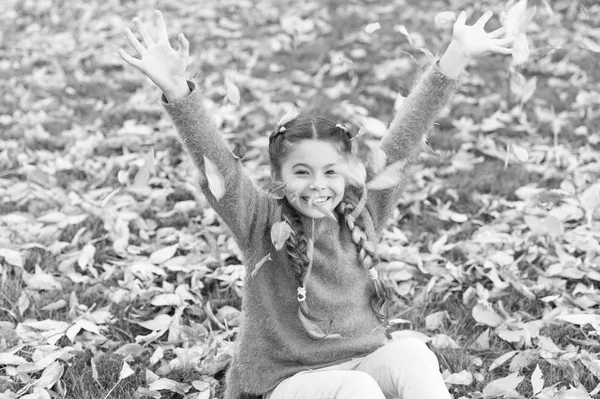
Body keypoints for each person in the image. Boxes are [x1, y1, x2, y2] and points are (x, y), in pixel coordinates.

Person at [119, 9, 513, 399]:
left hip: (360, 362)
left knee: (412, 353)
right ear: (279, 177)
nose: (318, 186)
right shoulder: (258, 219)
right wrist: (178, 92)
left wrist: (455, 56)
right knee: (357, 389)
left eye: (330, 172)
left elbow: (406, 135)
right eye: (302, 172)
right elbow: (217, 164)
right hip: (284, 381)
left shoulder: (364, 209)